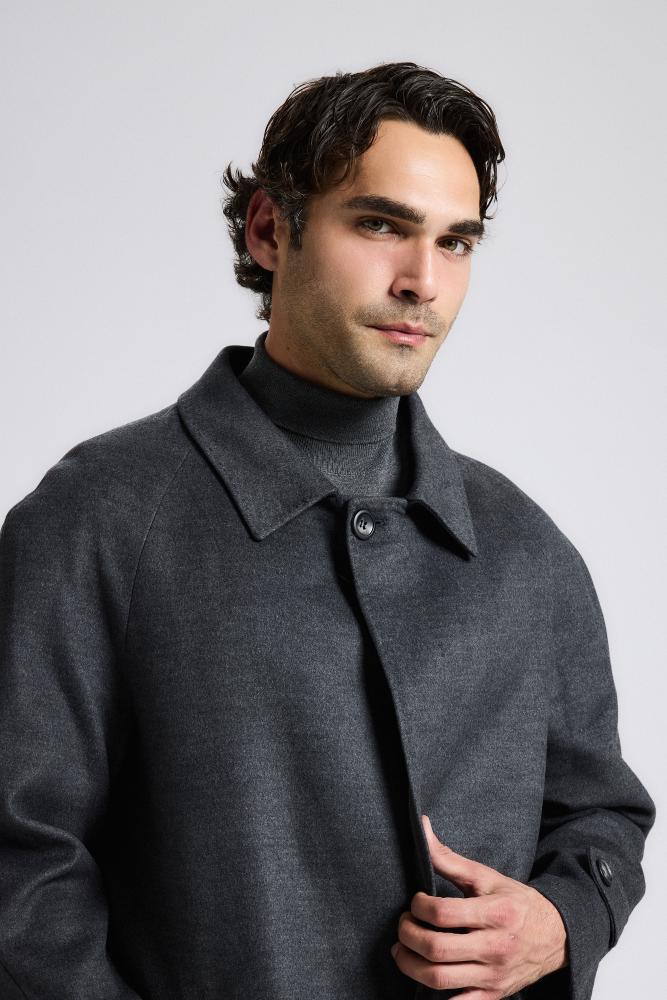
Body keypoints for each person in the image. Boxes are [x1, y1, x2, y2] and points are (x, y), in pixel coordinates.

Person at [0, 61, 655, 1000]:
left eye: (455, 241)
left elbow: (600, 815)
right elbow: (22, 865)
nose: (422, 281)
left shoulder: (522, 544)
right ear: (271, 229)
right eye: (380, 225)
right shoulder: (98, 518)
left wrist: (559, 920)